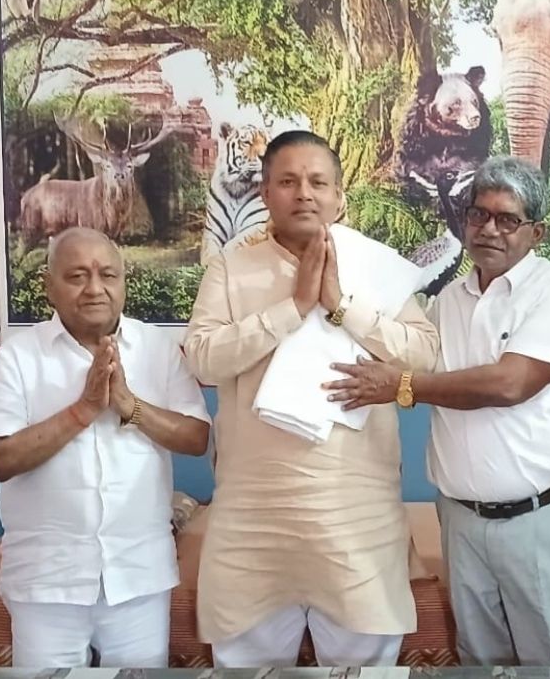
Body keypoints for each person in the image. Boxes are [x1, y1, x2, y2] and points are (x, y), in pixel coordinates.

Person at [325, 156, 550, 679]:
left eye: (507, 219)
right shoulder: (447, 302)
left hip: (542, 520)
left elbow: (510, 384)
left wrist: (402, 386)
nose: (489, 229)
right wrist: (337, 305)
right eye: (479, 214)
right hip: (460, 521)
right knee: (480, 666)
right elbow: (402, 350)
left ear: (536, 232)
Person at [184, 130, 439, 667]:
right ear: (265, 194)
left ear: (339, 197)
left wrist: (342, 306)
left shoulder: (375, 266)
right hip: (253, 517)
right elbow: (203, 358)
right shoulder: (231, 266)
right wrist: (294, 308)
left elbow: (423, 355)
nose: (304, 193)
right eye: (288, 181)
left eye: (318, 182)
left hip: (356, 517)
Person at [0, 227, 211, 668]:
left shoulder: (158, 348)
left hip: (138, 577)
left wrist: (129, 405)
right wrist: (83, 409)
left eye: (107, 274)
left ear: (124, 282)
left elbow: (196, 438)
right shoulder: (17, 356)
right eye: (77, 276)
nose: (95, 288)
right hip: (46, 581)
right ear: (49, 286)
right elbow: (0, 459)